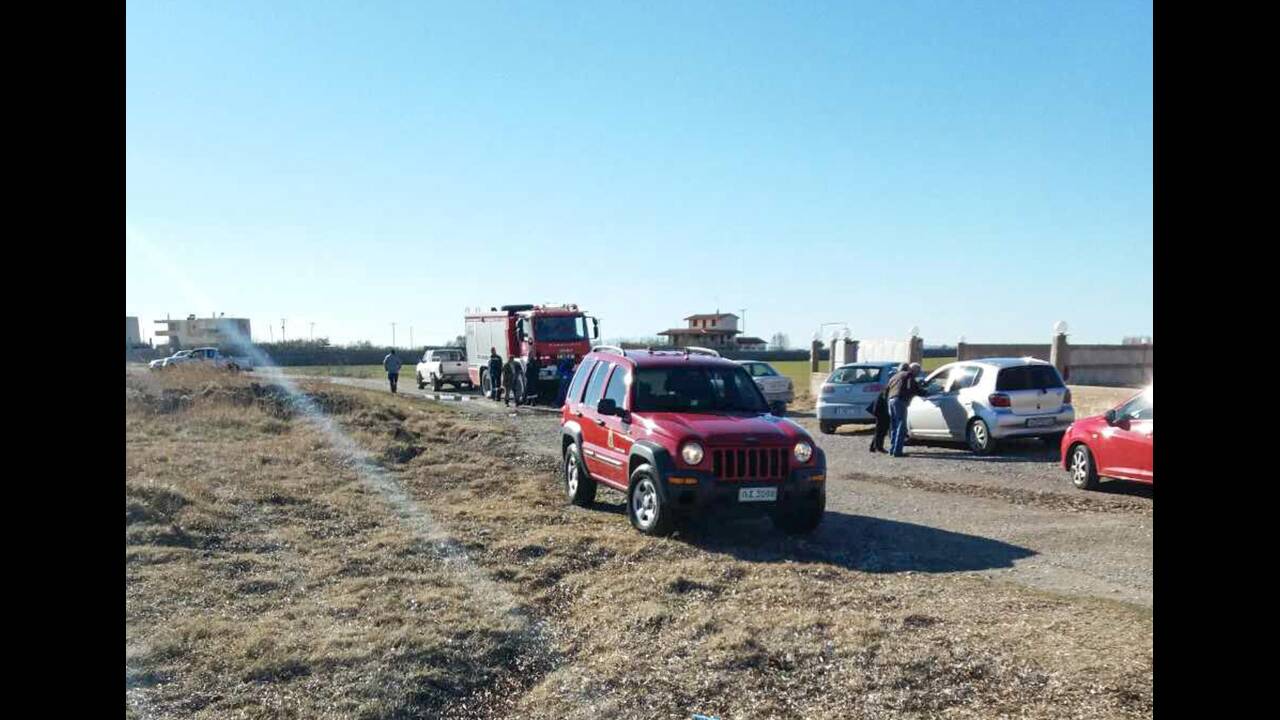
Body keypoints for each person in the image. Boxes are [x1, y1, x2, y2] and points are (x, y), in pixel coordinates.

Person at [886, 361, 929, 457]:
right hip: (900, 400)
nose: (918, 373)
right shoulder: (909, 375)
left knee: (894, 426)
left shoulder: (894, 376)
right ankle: (897, 451)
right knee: (902, 426)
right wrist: (925, 392)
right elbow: (913, 388)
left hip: (890, 400)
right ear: (913, 370)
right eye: (918, 371)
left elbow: (887, 390)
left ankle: (892, 449)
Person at [867, 382, 890, 453]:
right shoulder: (886, 392)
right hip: (880, 411)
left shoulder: (886, 390)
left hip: (879, 411)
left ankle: (873, 446)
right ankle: (878, 447)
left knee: (879, 430)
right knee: (881, 430)